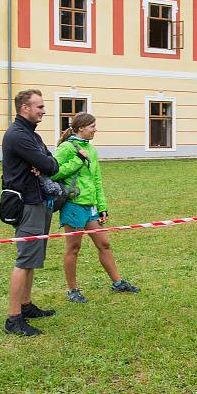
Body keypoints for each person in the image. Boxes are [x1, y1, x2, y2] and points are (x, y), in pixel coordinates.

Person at [52, 112, 140, 303]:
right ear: (81, 127)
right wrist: (77, 161)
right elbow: (52, 173)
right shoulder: (67, 148)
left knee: (104, 243)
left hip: (90, 206)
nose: (95, 129)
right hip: (73, 204)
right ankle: (72, 290)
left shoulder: (91, 149)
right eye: (92, 126)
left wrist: (102, 206)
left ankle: (118, 282)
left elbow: (97, 180)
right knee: (73, 248)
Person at [2, 89, 60, 336]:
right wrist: (40, 164)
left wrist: (42, 163)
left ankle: (25, 305)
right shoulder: (18, 135)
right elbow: (47, 164)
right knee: (25, 259)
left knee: (33, 258)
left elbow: (52, 164)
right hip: (26, 203)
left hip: (38, 200)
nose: (43, 111)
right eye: (39, 107)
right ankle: (13, 318)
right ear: (25, 108)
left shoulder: (31, 135)